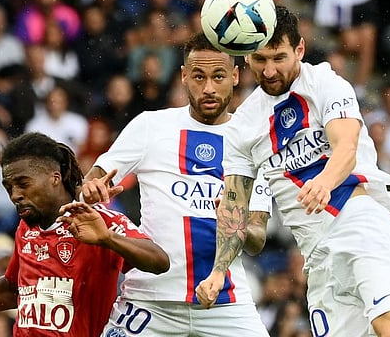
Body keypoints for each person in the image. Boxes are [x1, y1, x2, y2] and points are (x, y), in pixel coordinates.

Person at [196, 5, 390, 337]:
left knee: (387, 320)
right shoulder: (243, 125)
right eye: (260, 60)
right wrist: (219, 271)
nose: (270, 70)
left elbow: (346, 147)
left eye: (279, 58)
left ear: (299, 49)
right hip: (317, 256)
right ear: (247, 58)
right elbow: (235, 206)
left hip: (358, 223)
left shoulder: (324, 83)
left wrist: (325, 182)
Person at [82, 32, 271, 336]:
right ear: (183, 76)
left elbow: (258, 237)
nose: (208, 88)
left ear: (235, 76)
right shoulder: (150, 126)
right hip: (150, 299)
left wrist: (236, 223)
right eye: (198, 76)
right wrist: (91, 188)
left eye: (218, 76)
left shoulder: (254, 141)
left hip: (225, 301)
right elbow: (94, 177)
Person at [0, 132, 169, 337]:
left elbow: (160, 261)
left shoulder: (95, 220)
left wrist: (108, 239)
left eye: (23, 184)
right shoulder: (26, 228)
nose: (15, 194)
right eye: (9, 187)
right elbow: (13, 291)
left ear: (55, 178)